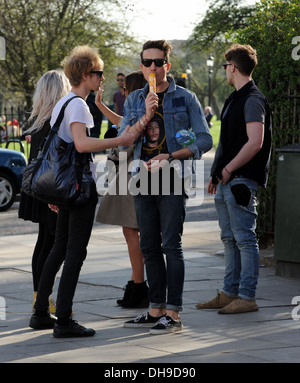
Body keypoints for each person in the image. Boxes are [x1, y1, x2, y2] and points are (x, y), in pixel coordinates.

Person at [29, 45, 135, 338]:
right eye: (99, 73)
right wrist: (121, 139)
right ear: (86, 75)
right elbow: (81, 144)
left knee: (59, 248)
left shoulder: (64, 103)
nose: (103, 78)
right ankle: (63, 319)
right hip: (78, 189)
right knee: (75, 252)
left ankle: (40, 313)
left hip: (66, 188)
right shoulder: (78, 105)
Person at [121, 40, 212, 334]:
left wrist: (170, 155)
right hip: (141, 178)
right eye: (147, 62)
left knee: (170, 244)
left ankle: (172, 313)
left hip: (172, 176)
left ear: (167, 66)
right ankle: (155, 308)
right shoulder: (135, 99)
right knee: (148, 246)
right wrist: (145, 115)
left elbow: (204, 139)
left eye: (158, 62)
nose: (152, 68)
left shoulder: (185, 98)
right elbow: (124, 140)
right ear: (141, 65)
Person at [196, 44, 272, 314]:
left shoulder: (252, 98)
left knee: (244, 239)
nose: (225, 71)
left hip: (241, 180)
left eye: (226, 66)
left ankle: (246, 296)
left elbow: (255, 143)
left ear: (234, 68)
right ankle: (230, 292)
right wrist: (217, 174)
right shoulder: (234, 98)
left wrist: (227, 171)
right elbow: (227, 142)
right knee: (229, 238)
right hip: (227, 179)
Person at [19, 70, 71, 314]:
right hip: (52, 191)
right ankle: (44, 299)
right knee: (53, 243)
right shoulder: (56, 121)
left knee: (43, 241)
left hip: (37, 188)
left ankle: (38, 296)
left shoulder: (38, 120)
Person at [95, 71, 149, 308]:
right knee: (137, 233)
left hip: (132, 177)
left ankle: (139, 286)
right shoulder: (138, 114)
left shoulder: (139, 116)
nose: (123, 93)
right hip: (135, 176)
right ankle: (136, 282)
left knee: (132, 233)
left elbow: (127, 139)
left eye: (125, 89)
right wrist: (99, 105)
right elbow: (120, 121)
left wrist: (115, 149)